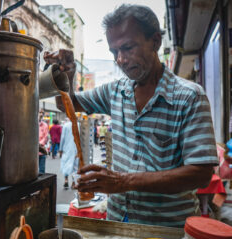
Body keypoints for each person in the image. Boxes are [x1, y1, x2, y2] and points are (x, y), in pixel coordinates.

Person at [44, 4, 218, 227]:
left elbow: (201, 174)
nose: (120, 59)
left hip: (168, 229)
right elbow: (67, 104)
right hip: (119, 222)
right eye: (114, 52)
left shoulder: (189, 97)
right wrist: (67, 74)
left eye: (127, 48)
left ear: (155, 41)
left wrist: (123, 181)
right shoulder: (115, 91)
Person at [59, 118, 79, 189]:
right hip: (76, 149)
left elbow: (63, 138)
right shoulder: (78, 125)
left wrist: (60, 149)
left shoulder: (66, 125)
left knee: (66, 165)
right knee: (75, 166)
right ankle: (74, 182)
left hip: (66, 149)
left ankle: (66, 180)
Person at [39, 109, 49, 174]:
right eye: (39, 112)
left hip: (41, 149)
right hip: (32, 151)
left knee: (42, 170)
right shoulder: (31, 123)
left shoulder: (45, 125)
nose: (41, 114)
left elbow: (46, 136)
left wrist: (39, 144)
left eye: (42, 113)